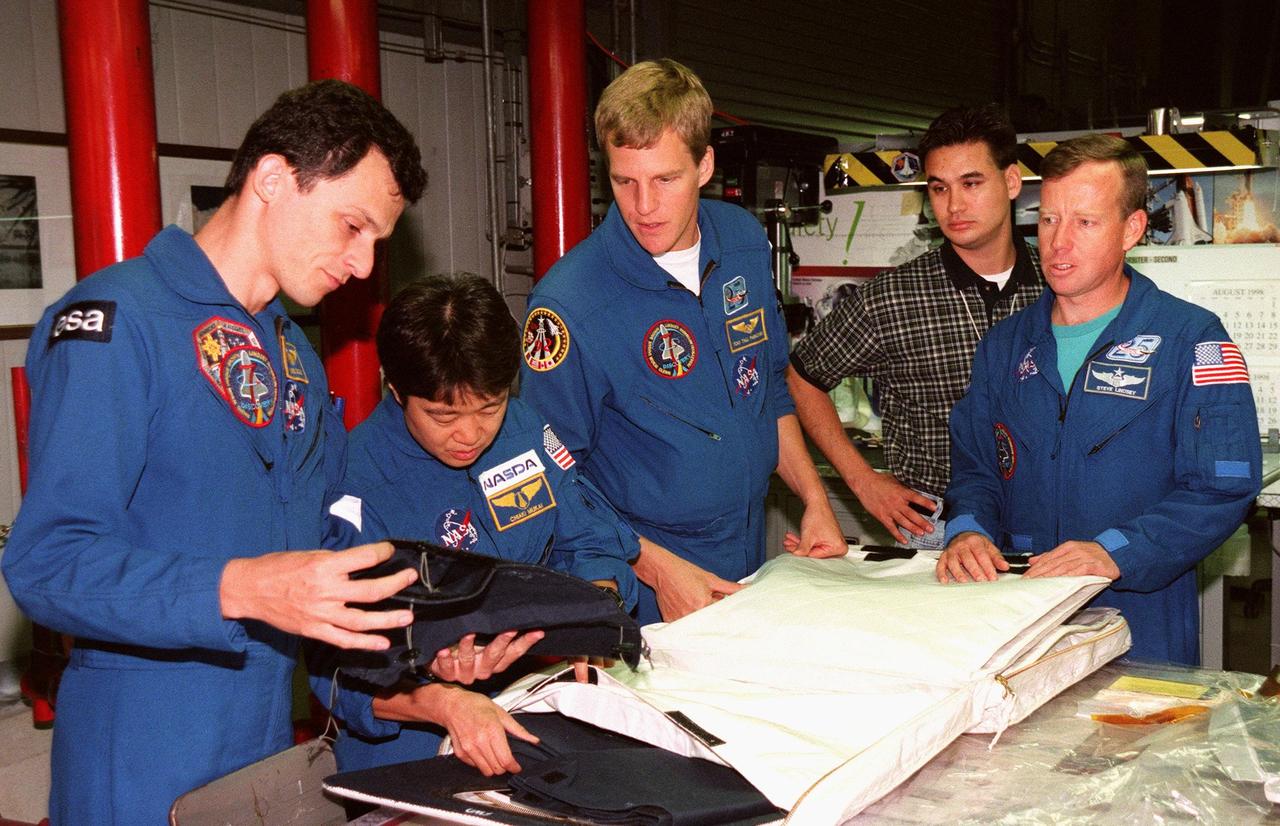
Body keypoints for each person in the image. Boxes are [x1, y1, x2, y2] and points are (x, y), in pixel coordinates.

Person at [0, 80, 432, 823]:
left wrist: (429, 634)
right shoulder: (115, 323)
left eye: (376, 243)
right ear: (271, 179)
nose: (363, 266)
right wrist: (240, 590)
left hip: (263, 746)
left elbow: (325, 538)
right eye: (351, 226)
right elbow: (48, 564)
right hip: (140, 753)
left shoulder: (292, 354)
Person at [519, 59, 844, 626]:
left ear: (705, 165)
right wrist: (657, 569)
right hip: (643, 585)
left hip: (746, 560)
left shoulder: (742, 241)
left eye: (665, 180)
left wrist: (814, 500)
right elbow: (549, 476)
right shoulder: (568, 305)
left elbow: (765, 391)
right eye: (625, 181)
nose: (644, 207)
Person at [937, 134, 1262, 665]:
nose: (1058, 243)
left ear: (1131, 229)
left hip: (1140, 615)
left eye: (1084, 222)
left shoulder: (1191, 340)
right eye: (1048, 220)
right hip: (1021, 614)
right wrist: (968, 530)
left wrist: (1116, 552)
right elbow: (977, 468)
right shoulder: (1005, 345)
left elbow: (1221, 486)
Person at [320, 274, 640, 776]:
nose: (469, 434)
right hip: (413, 750)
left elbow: (590, 540)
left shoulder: (524, 429)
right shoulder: (351, 483)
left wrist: (590, 617)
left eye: (489, 407)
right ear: (396, 389)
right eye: (442, 416)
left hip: (537, 705)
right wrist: (436, 693)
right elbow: (333, 670)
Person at [788, 105, 1044, 549]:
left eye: (971, 183)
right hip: (936, 526)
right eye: (939, 188)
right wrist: (863, 481)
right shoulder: (892, 297)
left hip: (1042, 520)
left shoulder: (1057, 286)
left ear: (1011, 182)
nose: (954, 205)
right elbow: (801, 377)